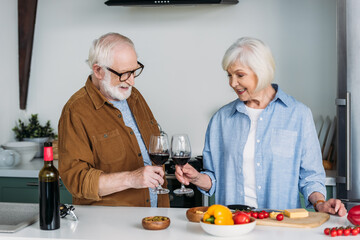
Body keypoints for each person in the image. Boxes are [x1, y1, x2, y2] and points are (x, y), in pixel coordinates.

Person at [175, 37, 346, 216]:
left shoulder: (298, 115)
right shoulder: (221, 119)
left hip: (280, 226)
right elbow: (214, 179)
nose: (232, 83)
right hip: (232, 224)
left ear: (261, 71)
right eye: (229, 75)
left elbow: (311, 177)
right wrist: (197, 178)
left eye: (240, 75)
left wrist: (320, 203)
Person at [58, 32, 169, 207]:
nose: (131, 81)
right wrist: (132, 178)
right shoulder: (76, 111)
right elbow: (76, 181)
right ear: (98, 71)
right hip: (109, 226)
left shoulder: (135, 97)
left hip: (153, 219)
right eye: (124, 73)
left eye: (134, 71)